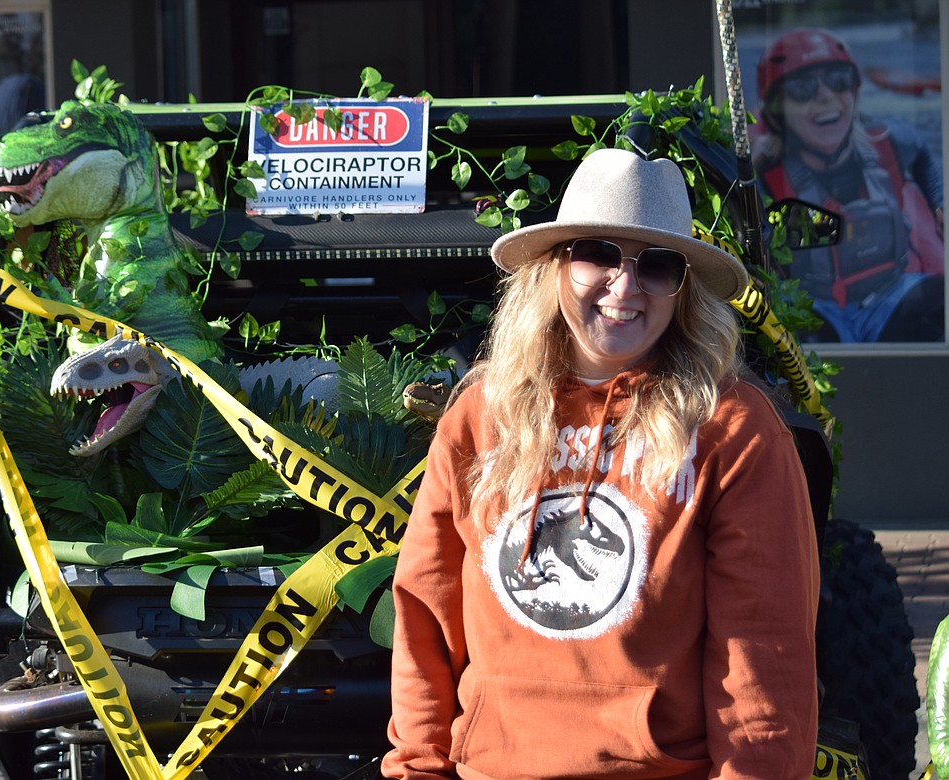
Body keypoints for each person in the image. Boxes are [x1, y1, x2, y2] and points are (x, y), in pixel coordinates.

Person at [382, 148, 820, 778]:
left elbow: (762, 652)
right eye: (598, 254)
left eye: (658, 265)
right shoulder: (481, 416)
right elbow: (426, 615)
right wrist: (415, 769)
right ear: (555, 267)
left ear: (683, 287)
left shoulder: (733, 428)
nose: (625, 286)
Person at [754, 27, 945, 343]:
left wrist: (938, 203)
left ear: (854, 92)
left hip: (889, 297)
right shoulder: (762, 173)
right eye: (802, 88)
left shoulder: (891, 141)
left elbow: (923, 154)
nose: (825, 95)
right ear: (777, 110)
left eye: (839, 80)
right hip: (814, 310)